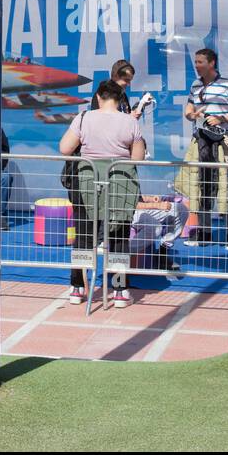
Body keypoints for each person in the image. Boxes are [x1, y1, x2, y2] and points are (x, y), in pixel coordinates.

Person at [58, 80, 145, 306]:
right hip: (120, 183)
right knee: (118, 237)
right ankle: (120, 291)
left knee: (84, 235)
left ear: (98, 96)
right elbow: (137, 158)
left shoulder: (84, 118)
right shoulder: (130, 122)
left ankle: (77, 288)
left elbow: (65, 148)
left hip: (88, 182)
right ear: (119, 99)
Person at [181, 48, 228, 251]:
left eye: (200, 62)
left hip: (221, 139)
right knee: (201, 183)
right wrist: (192, 116)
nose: (197, 65)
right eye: (196, 61)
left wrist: (221, 118)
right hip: (200, 139)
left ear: (212, 63)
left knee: (223, 183)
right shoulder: (196, 85)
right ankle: (204, 231)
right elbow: (188, 109)